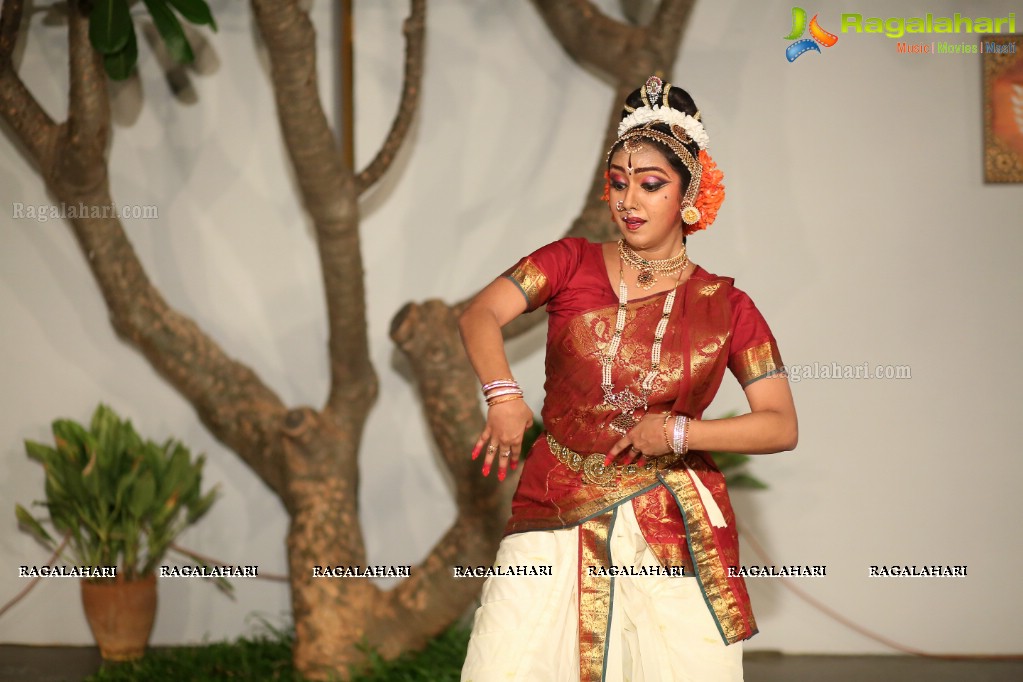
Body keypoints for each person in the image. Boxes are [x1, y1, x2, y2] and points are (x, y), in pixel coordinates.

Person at [458, 76, 797, 682]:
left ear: (689, 192)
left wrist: (678, 433)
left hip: (667, 520)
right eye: (618, 183)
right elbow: (480, 314)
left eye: (650, 184)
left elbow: (779, 425)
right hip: (554, 501)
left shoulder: (727, 307)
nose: (629, 201)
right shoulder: (568, 262)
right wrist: (502, 394)